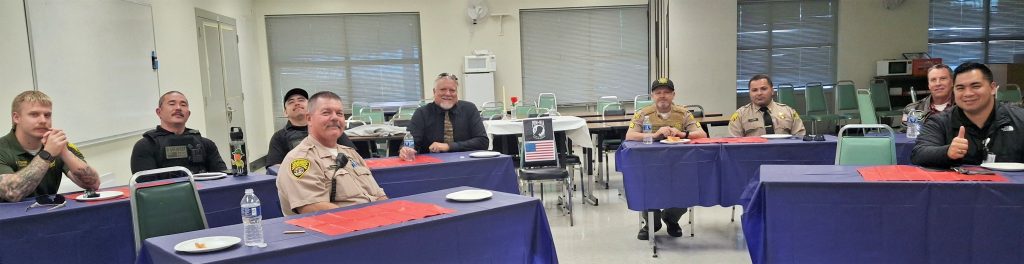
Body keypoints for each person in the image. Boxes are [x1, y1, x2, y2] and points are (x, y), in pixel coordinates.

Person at [277, 91, 387, 216]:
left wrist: (389, 215)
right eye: (326, 113)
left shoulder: (351, 154)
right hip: (341, 226)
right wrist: (369, 218)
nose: (335, 118)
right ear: (309, 119)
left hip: (375, 222)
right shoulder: (300, 159)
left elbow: (379, 196)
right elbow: (313, 209)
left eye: (339, 113)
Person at [624, 77, 707, 240]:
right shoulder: (643, 113)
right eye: (658, 92)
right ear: (652, 95)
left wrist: (682, 133)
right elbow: (630, 135)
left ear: (673, 95)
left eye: (667, 92)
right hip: (650, 164)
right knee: (645, 187)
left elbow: (702, 134)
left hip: (680, 164)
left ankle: (671, 218)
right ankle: (652, 223)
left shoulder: (683, 113)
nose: (662, 96)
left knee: (687, 190)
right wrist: (654, 135)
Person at [911, 62, 1024, 167]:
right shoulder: (940, 121)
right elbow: (919, 154)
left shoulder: (1019, 119)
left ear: (992, 88)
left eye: (975, 86)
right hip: (958, 182)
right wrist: (947, 152)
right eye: (960, 88)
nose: (968, 93)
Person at [0, 91, 100, 202]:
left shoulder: (57, 144)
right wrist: (47, 154)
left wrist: (64, 152)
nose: (43, 120)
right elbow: (12, 192)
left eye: (47, 115)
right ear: (16, 117)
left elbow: (93, 184)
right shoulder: (2, 149)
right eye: (34, 114)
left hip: (49, 211)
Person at [130, 91, 227, 174]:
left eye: (183, 105)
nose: (178, 108)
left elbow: (223, 177)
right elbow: (146, 185)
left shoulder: (206, 144)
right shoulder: (145, 146)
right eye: (172, 104)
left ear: (188, 114)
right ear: (159, 112)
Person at [399, 73, 488, 160]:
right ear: (434, 91)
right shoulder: (422, 113)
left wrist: (448, 146)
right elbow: (410, 141)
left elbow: (482, 142)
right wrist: (406, 150)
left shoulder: (469, 109)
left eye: (452, 90)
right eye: (443, 89)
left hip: (466, 163)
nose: (448, 94)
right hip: (431, 164)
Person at [266, 88, 356, 170]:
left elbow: (352, 157)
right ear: (285, 112)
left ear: (310, 109)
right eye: (291, 102)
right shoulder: (279, 137)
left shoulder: (329, 128)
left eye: (301, 100)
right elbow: (274, 168)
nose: (297, 103)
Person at [728, 74, 806, 137]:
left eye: (764, 89)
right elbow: (734, 144)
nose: (759, 93)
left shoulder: (788, 112)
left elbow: (800, 138)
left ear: (772, 91)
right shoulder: (740, 115)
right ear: (750, 93)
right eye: (754, 90)